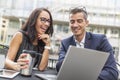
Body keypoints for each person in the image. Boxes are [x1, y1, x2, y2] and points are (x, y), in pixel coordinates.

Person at [56, 6, 118, 80]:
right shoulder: (65, 43)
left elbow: (112, 72)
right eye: (72, 22)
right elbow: (59, 66)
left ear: (86, 23)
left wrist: (86, 76)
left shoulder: (101, 40)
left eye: (79, 21)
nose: (75, 25)